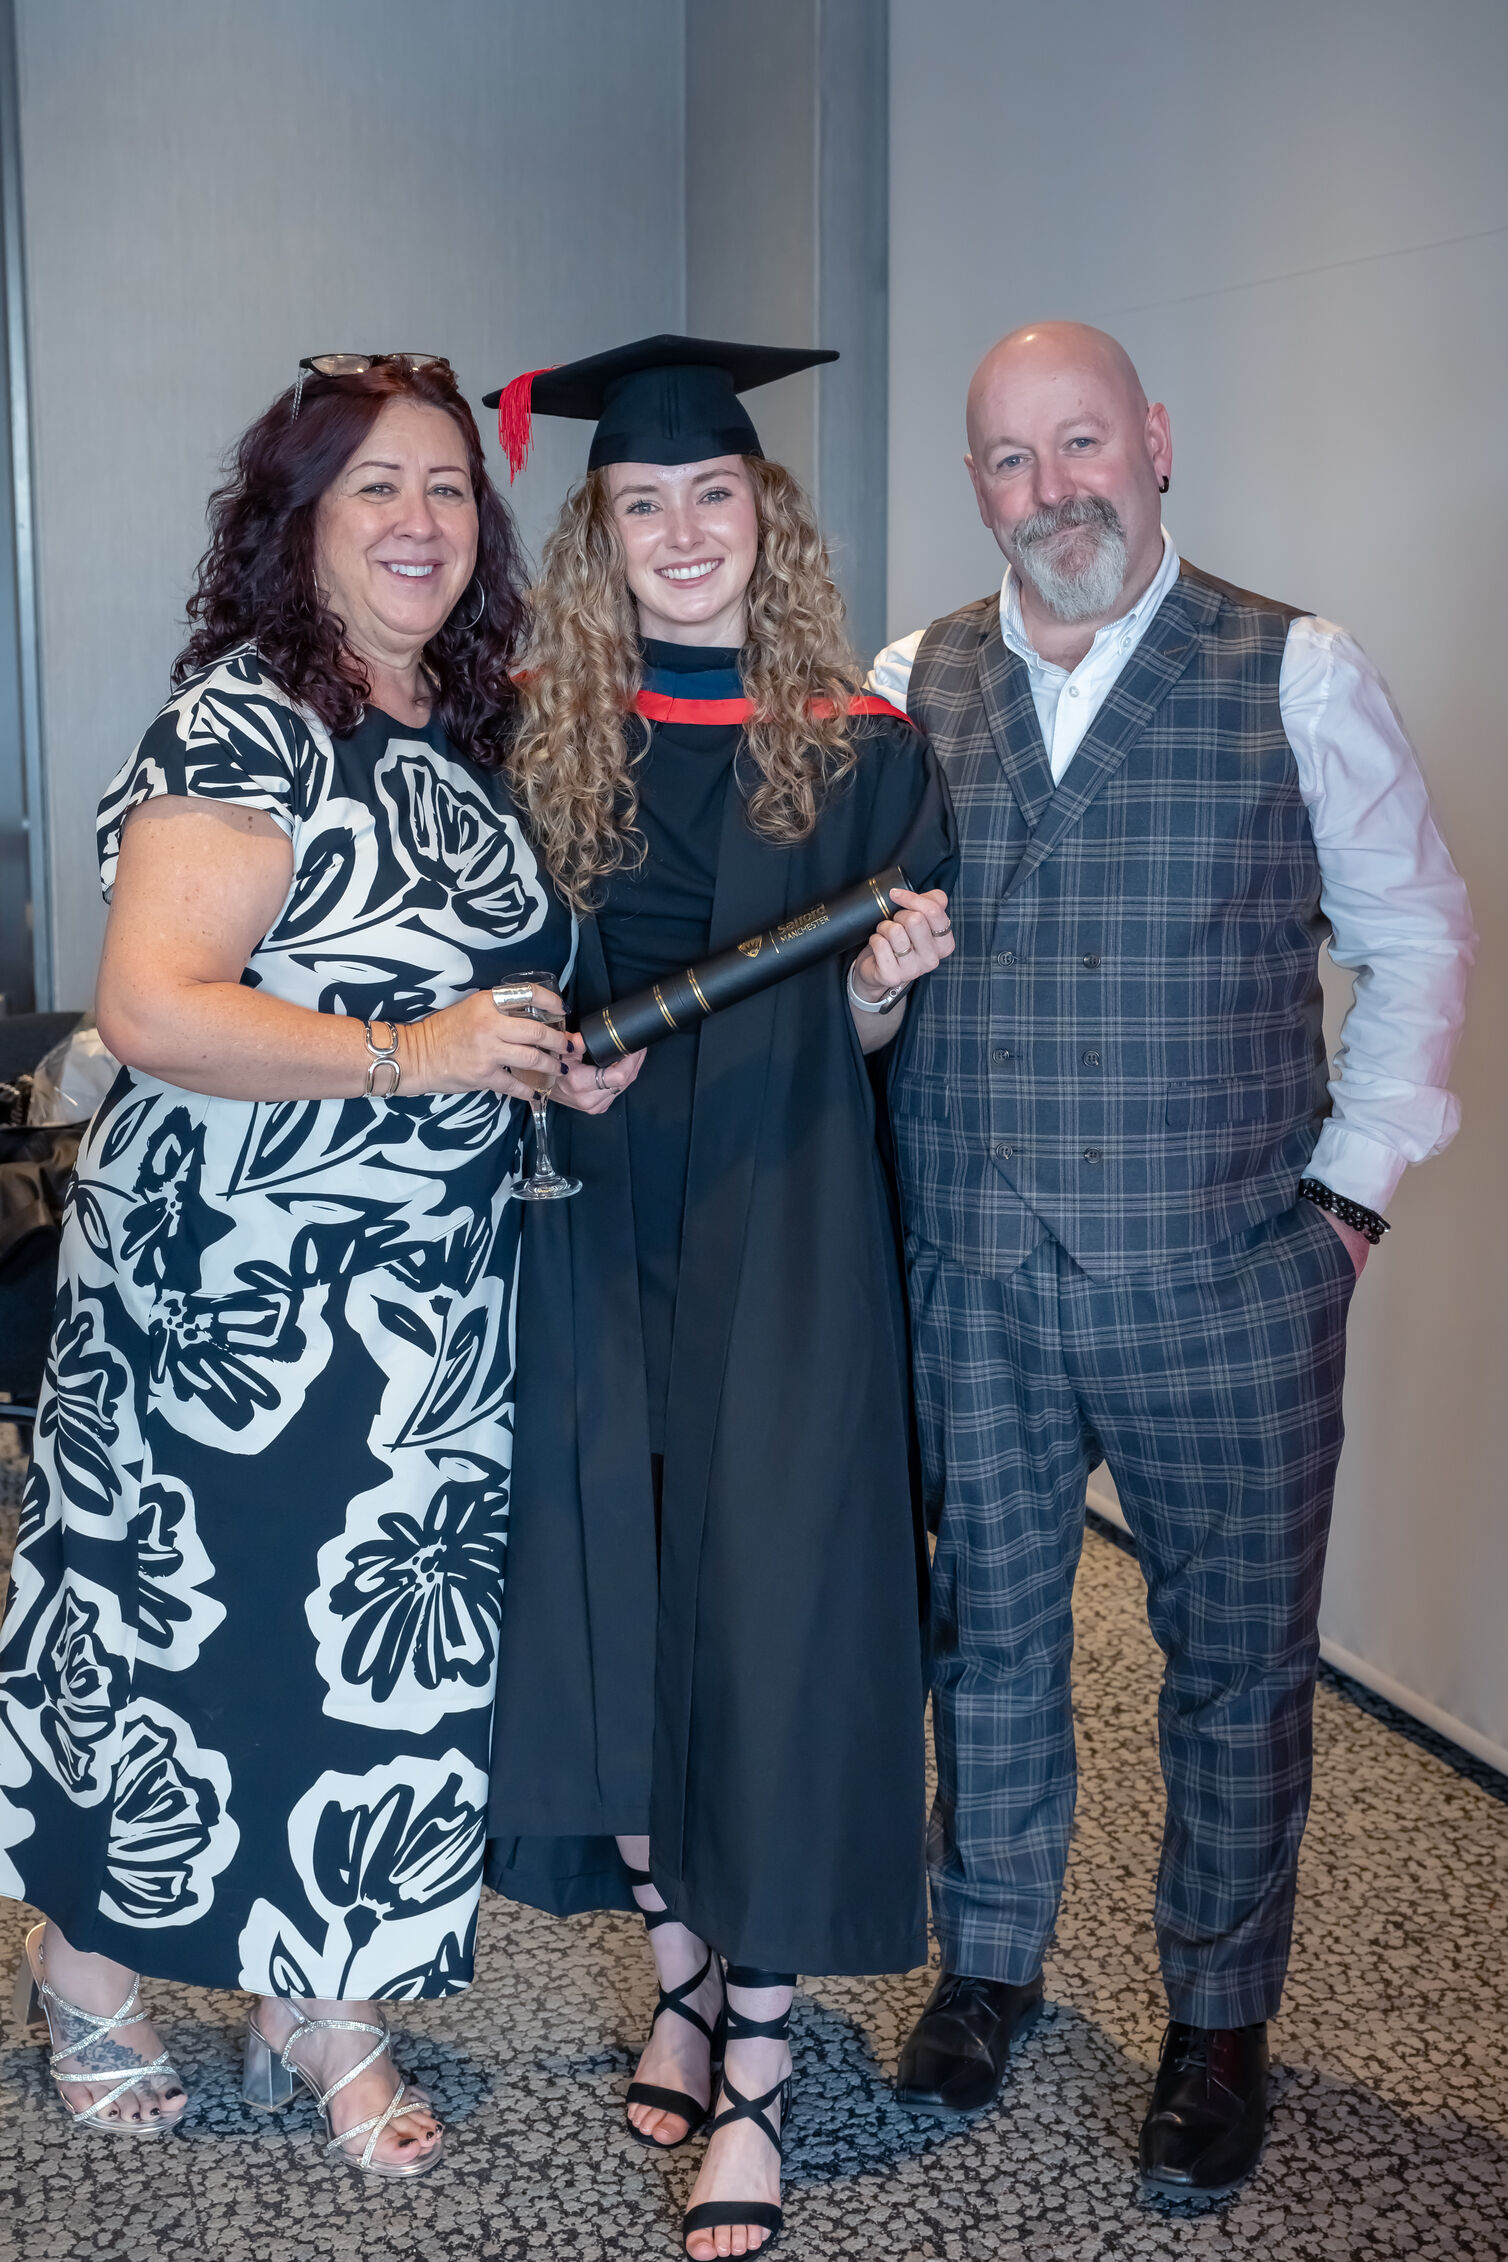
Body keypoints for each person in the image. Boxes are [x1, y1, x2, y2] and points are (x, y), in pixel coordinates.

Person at [0, 354, 633, 2177]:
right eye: (374, 487)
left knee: (364, 1678)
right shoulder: (247, 717)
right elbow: (152, 1004)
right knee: (173, 1651)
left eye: (446, 486)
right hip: (228, 1295)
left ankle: (317, 1999)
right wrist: (414, 1055)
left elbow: (470, 982)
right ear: (299, 520)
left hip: (422, 1305)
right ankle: (90, 1973)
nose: (421, 520)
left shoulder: (471, 722)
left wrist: (537, 1057)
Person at [869, 321, 1474, 2201]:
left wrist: (1346, 1207)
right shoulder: (907, 682)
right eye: (1011, 460)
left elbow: (1420, 940)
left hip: (1231, 1280)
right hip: (975, 1271)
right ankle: (991, 1964)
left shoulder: (1296, 667)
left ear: (1155, 441)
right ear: (977, 486)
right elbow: (858, 964)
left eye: (1082, 444)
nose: (1055, 490)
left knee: (1235, 1672)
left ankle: (1220, 2023)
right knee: (990, 1650)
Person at [480, 335, 957, 2257]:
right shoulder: (529, 726)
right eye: (642, 504)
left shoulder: (859, 742)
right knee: (629, 1602)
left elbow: (863, 1040)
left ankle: (754, 2057)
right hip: (591, 1218)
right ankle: (678, 1968)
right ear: (603, 533)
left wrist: (877, 987)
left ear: (771, 512)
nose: (685, 533)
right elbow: (482, 971)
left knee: (770, 1606)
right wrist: (533, 1051)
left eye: (716, 495)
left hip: (784, 1227)